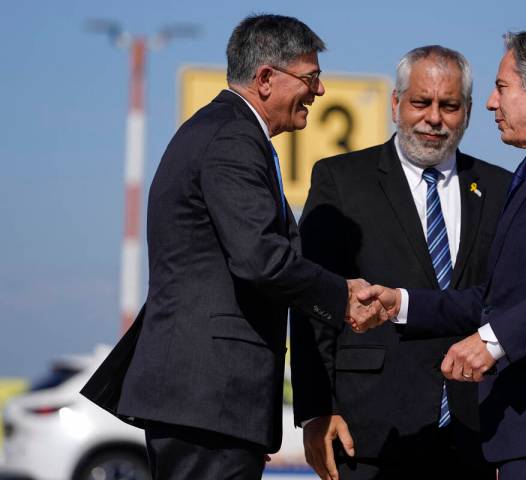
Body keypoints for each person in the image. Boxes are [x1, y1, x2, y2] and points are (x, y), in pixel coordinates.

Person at [80, 14, 382, 480]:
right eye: (311, 77)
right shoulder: (233, 138)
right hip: (207, 398)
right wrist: (342, 296)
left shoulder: (223, 132)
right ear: (265, 79)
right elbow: (260, 259)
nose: (320, 92)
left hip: (212, 405)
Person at [357, 27, 526, 479]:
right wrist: (401, 303)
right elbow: (497, 296)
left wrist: (493, 341)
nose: (490, 102)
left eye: (502, 87)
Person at [290, 45, 510, 480]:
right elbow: (311, 299)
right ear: (396, 103)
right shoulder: (340, 180)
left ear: (466, 111)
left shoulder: (501, 188)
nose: (433, 119)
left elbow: (507, 299)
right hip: (367, 431)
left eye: (449, 106)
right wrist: (316, 411)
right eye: (420, 102)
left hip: (475, 435)